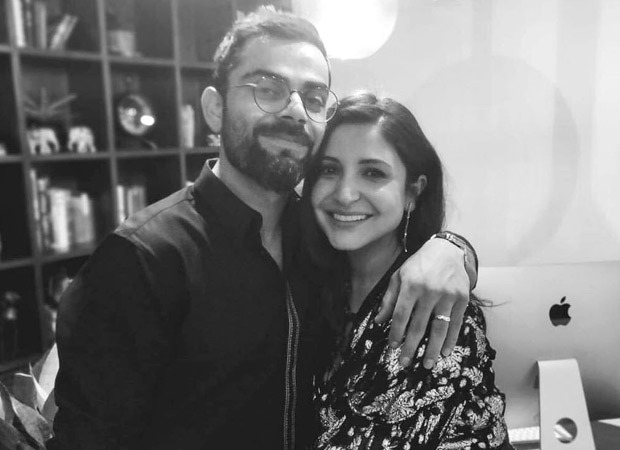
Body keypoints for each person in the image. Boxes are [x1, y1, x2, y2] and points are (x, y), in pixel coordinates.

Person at [50, 9, 479, 450]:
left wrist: (453, 247)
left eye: (314, 98)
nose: (295, 110)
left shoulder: (323, 237)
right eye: (267, 89)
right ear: (215, 109)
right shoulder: (144, 257)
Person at [302, 93, 512, 449]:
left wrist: (455, 248)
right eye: (329, 169)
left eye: (372, 173)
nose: (345, 193)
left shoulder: (435, 309)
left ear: (413, 192)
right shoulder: (310, 283)